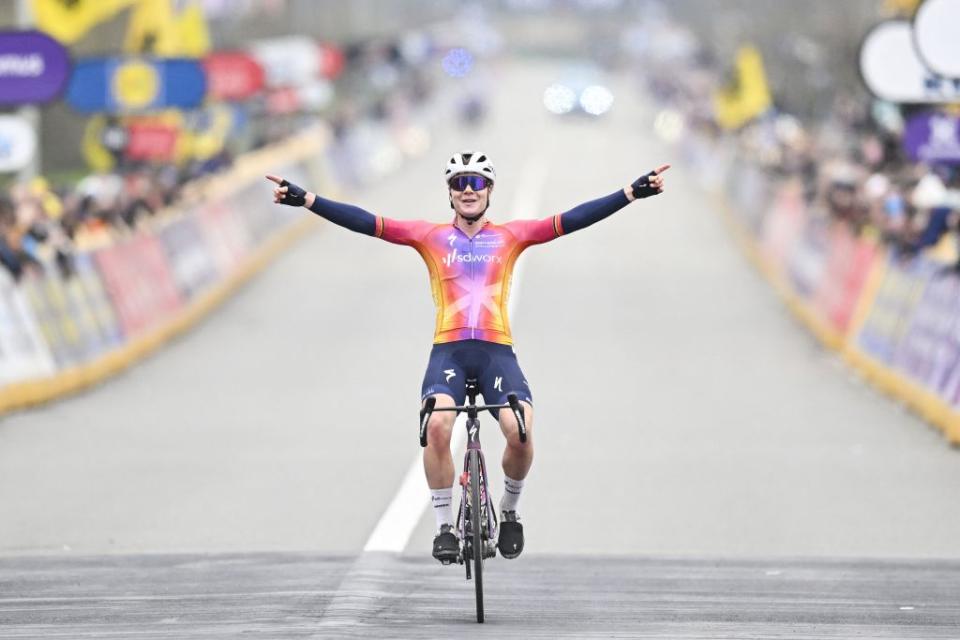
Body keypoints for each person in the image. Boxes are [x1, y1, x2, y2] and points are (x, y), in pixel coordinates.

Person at [267, 151, 669, 562]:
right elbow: (368, 223)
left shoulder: (511, 236)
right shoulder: (429, 236)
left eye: (476, 182)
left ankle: (510, 513)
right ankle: (444, 525)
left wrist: (629, 194)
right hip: (450, 352)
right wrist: (308, 200)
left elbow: (573, 219)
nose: (468, 190)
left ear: (490, 190)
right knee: (438, 426)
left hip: (496, 353)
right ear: (450, 193)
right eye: (459, 183)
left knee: (522, 431)